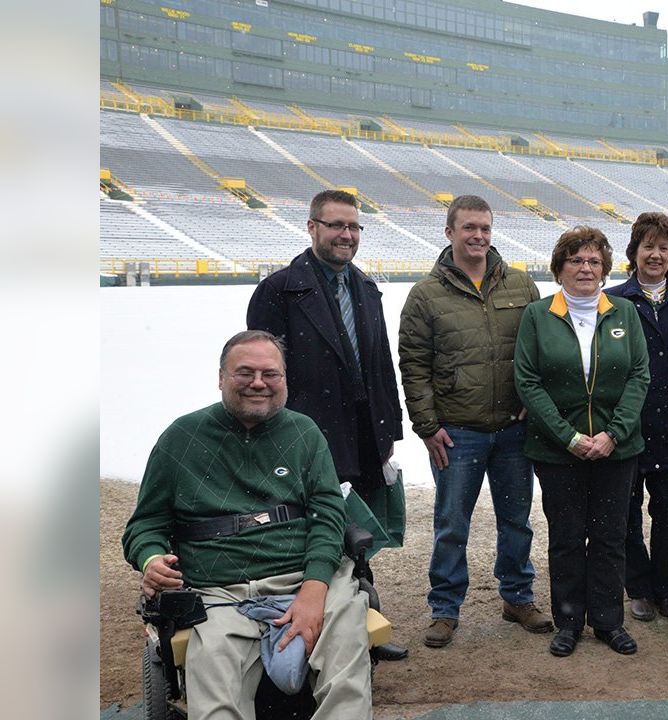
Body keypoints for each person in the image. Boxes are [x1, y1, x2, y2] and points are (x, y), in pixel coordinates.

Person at [122, 330, 372, 719]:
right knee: (216, 691)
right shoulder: (181, 438)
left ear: (285, 379)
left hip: (305, 576)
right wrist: (151, 558)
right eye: (245, 373)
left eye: (270, 374)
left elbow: (328, 516)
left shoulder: (304, 433)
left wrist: (314, 588)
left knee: (345, 670)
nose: (259, 383)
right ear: (221, 377)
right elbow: (146, 524)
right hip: (218, 590)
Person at [247, 189, 407, 660]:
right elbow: (263, 374)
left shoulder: (366, 288)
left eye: (354, 227)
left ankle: (358, 628)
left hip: (362, 435)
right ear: (312, 227)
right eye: (336, 225)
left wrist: (388, 434)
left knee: (358, 537)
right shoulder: (278, 291)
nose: (347, 235)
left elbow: (381, 364)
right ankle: (307, 633)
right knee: (312, 534)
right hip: (305, 437)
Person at [398, 195, 552, 648]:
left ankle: (518, 597)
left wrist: (531, 399)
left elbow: (538, 350)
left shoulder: (521, 286)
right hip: (457, 432)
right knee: (451, 523)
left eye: (484, 228)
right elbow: (414, 365)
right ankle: (444, 609)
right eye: (469, 228)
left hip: (512, 430)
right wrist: (427, 426)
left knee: (517, 519)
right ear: (449, 233)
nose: (478, 236)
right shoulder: (426, 295)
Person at [514, 226, 650, 657]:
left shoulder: (625, 312)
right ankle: (569, 621)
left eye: (593, 261)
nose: (585, 268)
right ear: (559, 269)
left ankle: (609, 622)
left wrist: (613, 433)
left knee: (611, 536)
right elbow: (528, 380)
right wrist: (569, 437)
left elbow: (639, 375)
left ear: (606, 270)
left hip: (618, 449)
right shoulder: (538, 315)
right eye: (575, 260)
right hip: (557, 451)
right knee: (568, 536)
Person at [604, 212, 668, 622]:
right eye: (648, 246)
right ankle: (639, 587)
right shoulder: (613, 301)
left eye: (663, 248)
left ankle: (664, 587)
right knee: (626, 513)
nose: (655, 254)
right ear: (633, 253)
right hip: (626, 428)